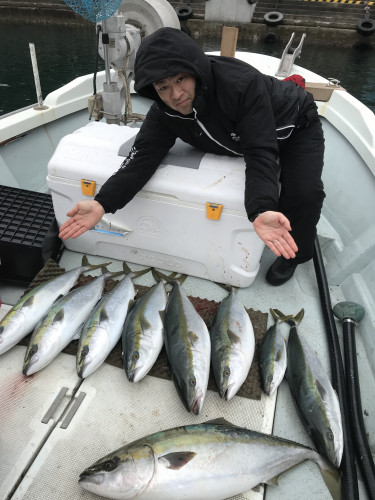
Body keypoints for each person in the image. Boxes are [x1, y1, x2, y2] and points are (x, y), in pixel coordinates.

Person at [59, 27, 325, 286]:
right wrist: (102, 203)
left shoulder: (242, 86)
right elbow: (141, 158)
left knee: (304, 193)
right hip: (232, 136)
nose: (176, 95)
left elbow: (261, 152)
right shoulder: (164, 111)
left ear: (196, 71)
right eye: (162, 87)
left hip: (292, 126)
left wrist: (262, 209)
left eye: (180, 79)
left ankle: (296, 256)